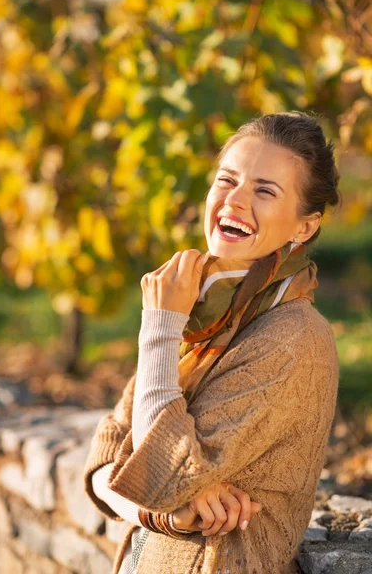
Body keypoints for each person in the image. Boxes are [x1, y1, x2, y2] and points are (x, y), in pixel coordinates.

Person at [83, 111, 340, 574]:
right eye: (227, 180)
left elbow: (161, 478)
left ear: (304, 227)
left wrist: (159, 324)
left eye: (265, 190)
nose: (235, 200)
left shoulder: (293, 337)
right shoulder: (206, 315)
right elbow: (104, 457)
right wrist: (163, 512)